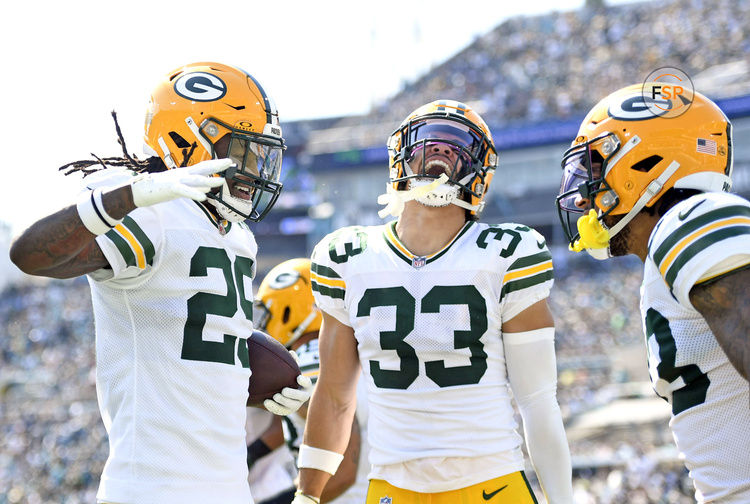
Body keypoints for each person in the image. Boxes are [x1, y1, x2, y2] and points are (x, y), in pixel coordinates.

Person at [9, 61, 312, 504]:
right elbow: (30, 254)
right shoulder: (155, 210)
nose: (257, 170)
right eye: (245, 151)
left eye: (264, 155)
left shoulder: (238, 237)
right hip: (154, 489)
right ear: (189, 139)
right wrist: (131, 196)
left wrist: (261, 383)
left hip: (228, 488)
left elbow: (197, 349)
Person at [293, 100, 574, 504]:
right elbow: (335, 396)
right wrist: (307, 495)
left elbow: (537, 400)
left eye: (459, 146)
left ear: (480, 172)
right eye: (429, 141)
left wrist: (562, 500)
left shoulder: (507, 252)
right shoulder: (348, 256)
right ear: (399, 157)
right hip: (392, 486)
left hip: (490, 482)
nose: (443, 150)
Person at [555, 83, 750, 502]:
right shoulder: (671, 246)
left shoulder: (689, 218)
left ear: (644, 162)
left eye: (596, 165)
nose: (584, 189)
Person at [254, 258, 366, 503]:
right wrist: (253, 453)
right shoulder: (339, 352)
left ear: (288, 311)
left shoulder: (308, 362)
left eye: (268, 312)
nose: (263, 323)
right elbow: (304, 419)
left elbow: (342, 472)